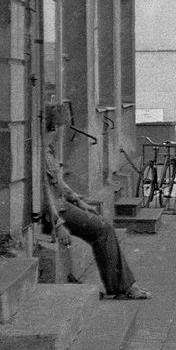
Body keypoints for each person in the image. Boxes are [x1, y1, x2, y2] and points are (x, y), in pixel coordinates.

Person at [42, 105, 151, 300]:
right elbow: (44, 195)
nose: (63, 131)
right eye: (61, 126)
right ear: (54, 127)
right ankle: (123, 287)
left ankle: (123, 285)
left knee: (103, 227)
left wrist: (78, 200)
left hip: (63, 205)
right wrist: (58, 225)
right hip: (56, 211)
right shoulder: (41, 153)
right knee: (103, 229)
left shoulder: (48, 150)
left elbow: (58, 184)